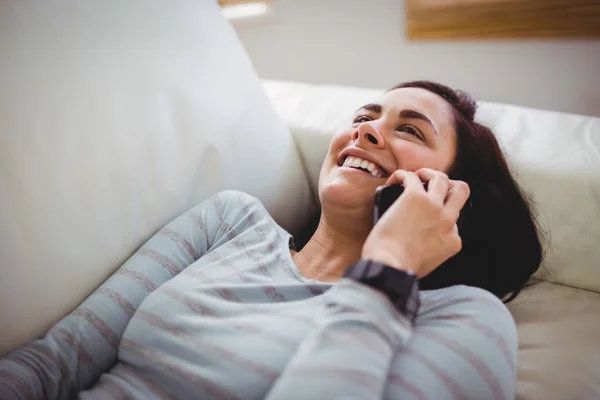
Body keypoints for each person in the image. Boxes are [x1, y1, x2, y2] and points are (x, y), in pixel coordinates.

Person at [0, 81, 543, 400]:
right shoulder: (230, 223)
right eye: (363, 116)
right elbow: (55, 362)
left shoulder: (466, 319)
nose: (366, 131)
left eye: (410, 130)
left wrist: (390, 267)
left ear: (456, 194)